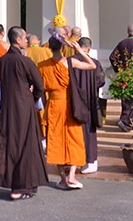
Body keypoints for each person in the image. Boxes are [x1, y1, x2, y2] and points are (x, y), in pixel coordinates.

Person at [0, 27, 47, 200]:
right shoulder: (25, 62)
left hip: (7, 108)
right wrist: (32, 97)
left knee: (10, 143)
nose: (27, 41)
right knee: (26, 145)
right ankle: (22, 186)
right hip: (24, 108)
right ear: (18, 40)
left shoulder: (2, 61)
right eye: (25, 38)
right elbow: (40, 86)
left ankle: (15, 184)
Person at [38, 36, 98, 190]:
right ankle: (72, 176)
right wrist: (79, 50)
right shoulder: (70, 62)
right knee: (75, 139)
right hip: (70, 106)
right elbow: (92, 66)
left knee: (56, 141)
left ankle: (63, 179)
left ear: (49, 48)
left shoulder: (43, 66)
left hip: (53, 106)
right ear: (63, 48)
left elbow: (39, 88)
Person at [71, 37, 105, 174]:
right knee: (90, 132)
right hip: (90, 101)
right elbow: (101, 81)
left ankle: (75, 161)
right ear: (89, 48)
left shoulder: (70, 61)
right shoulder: (94, 63)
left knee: (76, 131)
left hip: (75, 101)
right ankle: (90, 161)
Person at [109, 24, 133, 133]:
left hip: (124, 75)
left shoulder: (122, 43)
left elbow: (112, 57)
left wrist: (119, 70)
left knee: (126, 99)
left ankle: (127, 120)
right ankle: (127, 120)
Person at [24, 34, 52, 139]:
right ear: (38, 42)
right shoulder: (46, 51)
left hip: (29, 88)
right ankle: (44, 135)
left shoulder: (25, 52)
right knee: (43, 111)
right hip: (45, 87)